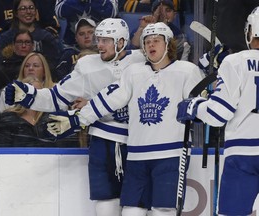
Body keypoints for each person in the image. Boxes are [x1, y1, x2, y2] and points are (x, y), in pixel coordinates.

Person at [45, 22, 204, 215]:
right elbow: (108, 99)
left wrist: (196, 107)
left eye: (156, 41)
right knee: (130, 211)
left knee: (163, 211)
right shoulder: (133, 72)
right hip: (137, 155)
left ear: (168, 43)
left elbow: (202, 105)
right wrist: (78, 119)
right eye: (147, 41)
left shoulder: (187, 71)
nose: (151, 45)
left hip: (170, 154)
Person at [4, 18, 146, 216]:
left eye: (106, 40)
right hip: (103, 140)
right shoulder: (87, 66)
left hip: (139, 141)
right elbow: (57, 97)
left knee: (136, 206)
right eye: (99, 39)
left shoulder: (142, 59)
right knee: (105, 203)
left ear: (121, 42)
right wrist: (29, 96)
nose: (99, 45)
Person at [176, 7, 259, 216]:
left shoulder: (236, 62)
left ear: (250, 32)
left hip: (243, 156)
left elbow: (217, 114)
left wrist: (194, 106)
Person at [0, 76, 70, 147]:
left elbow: (59, 146)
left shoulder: (52, 119)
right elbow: (4, 149)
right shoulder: (8, 119)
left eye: (38, 92)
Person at [0, 30, 35, 99]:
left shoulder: (41, 64)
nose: (23, 46)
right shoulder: (3, 67)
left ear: (33, 46)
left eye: (27, 42)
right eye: (19, 42)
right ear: (14, 46)